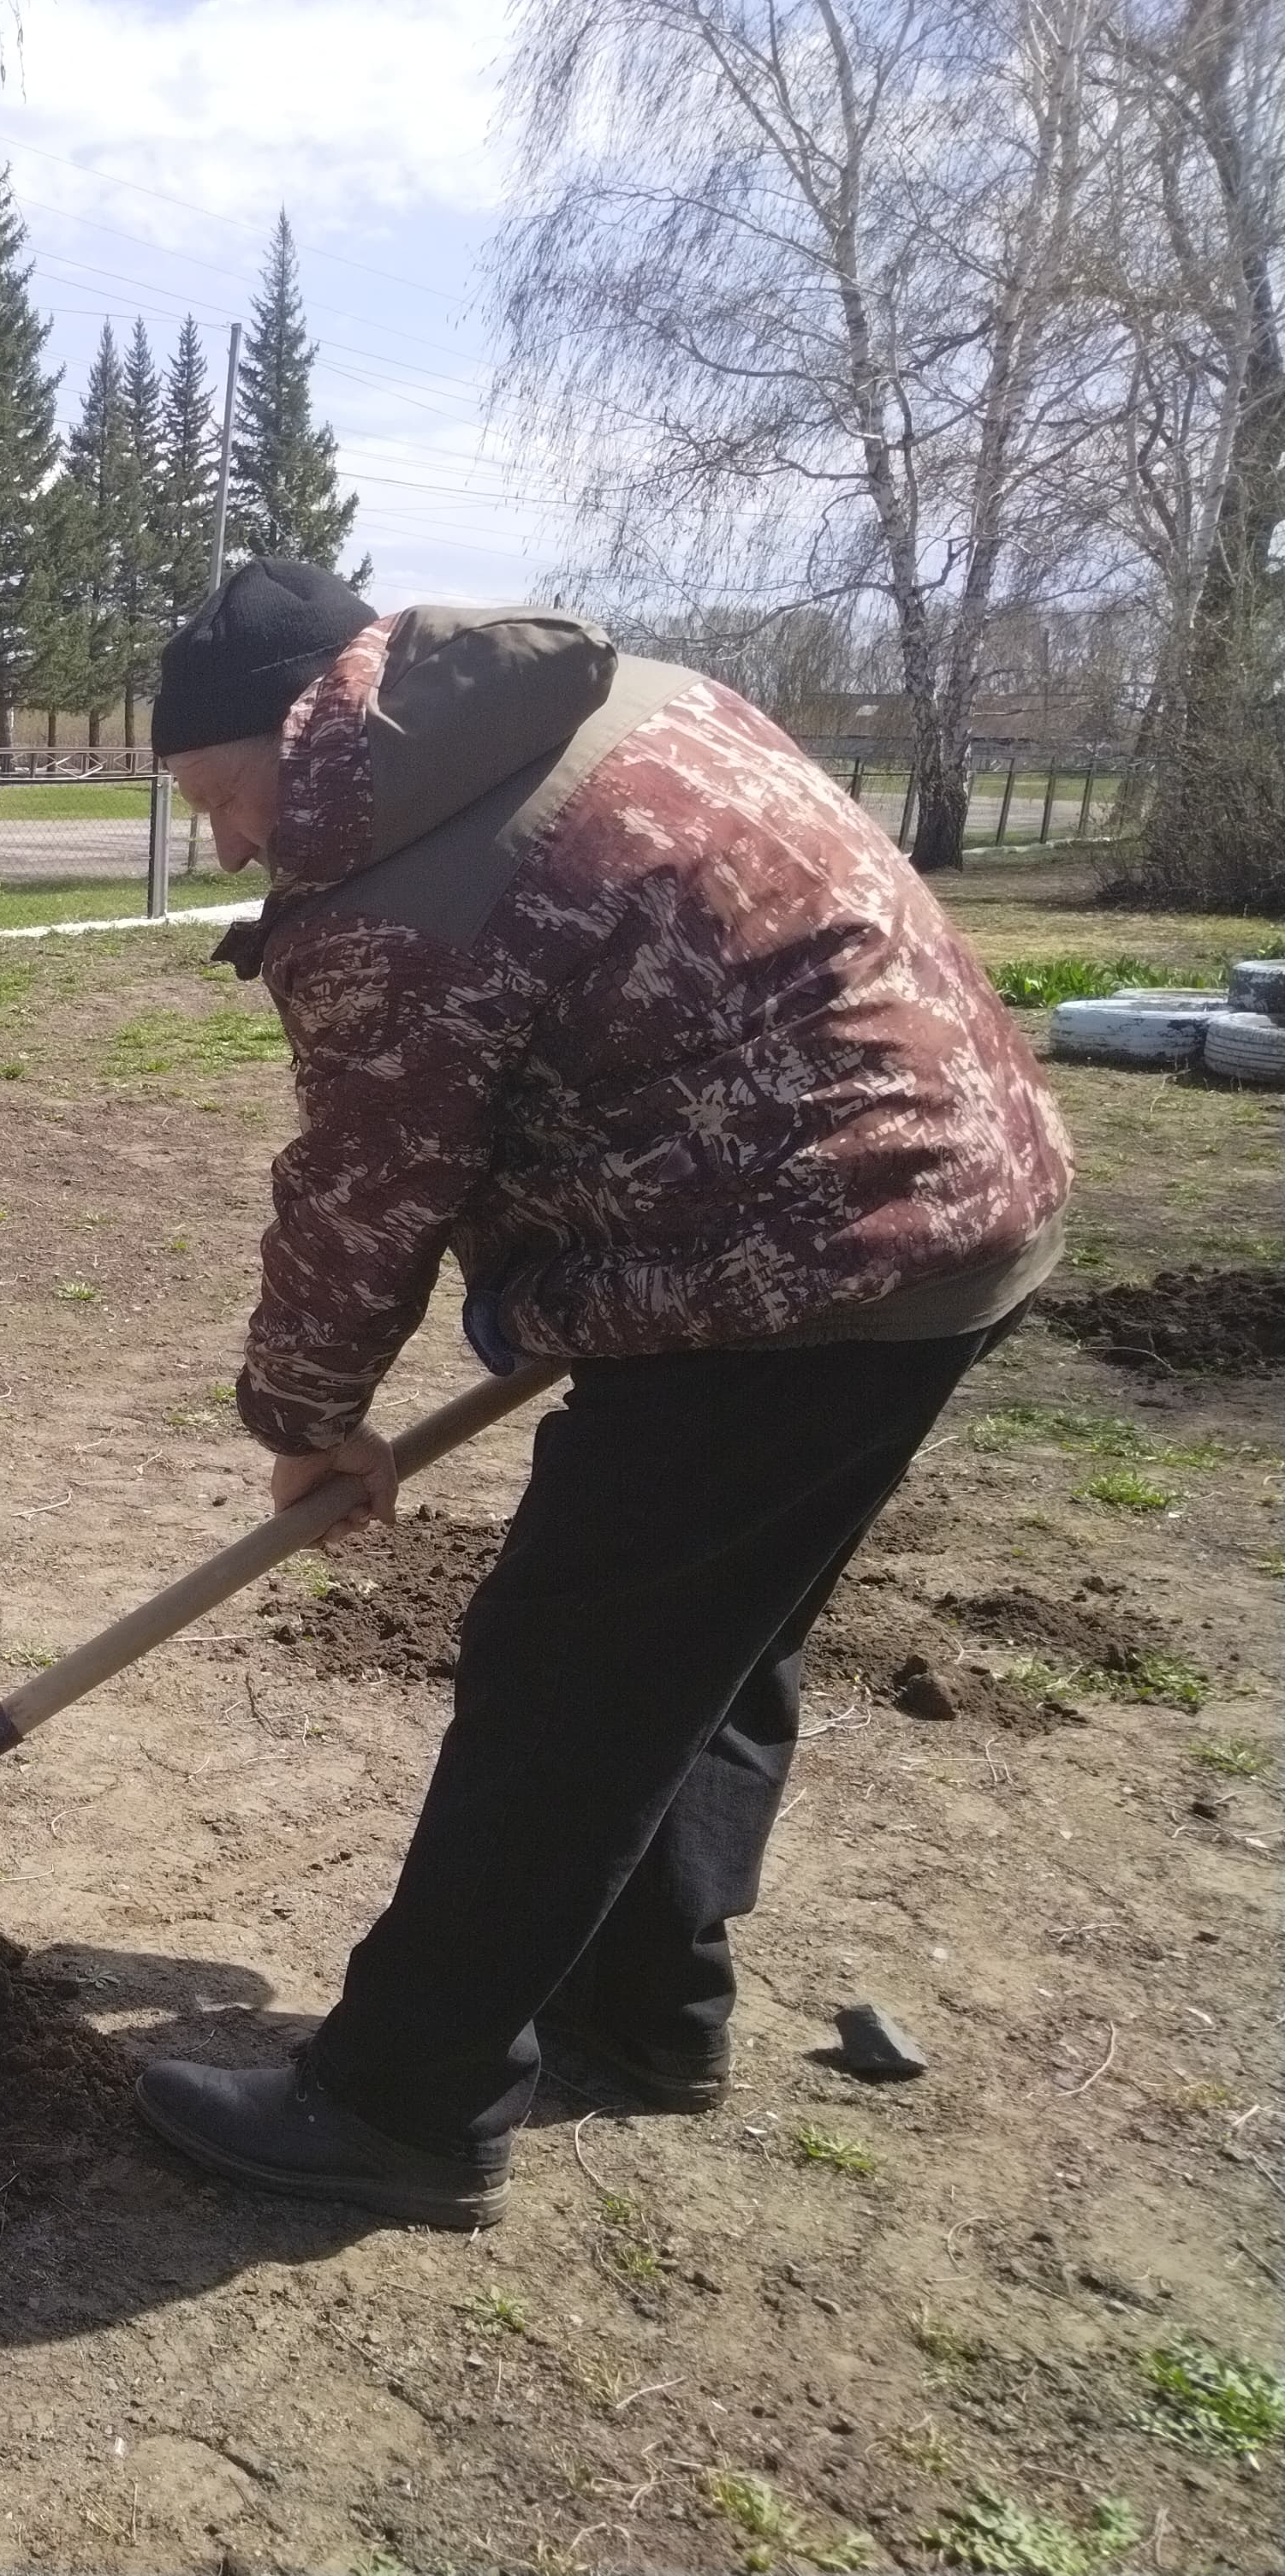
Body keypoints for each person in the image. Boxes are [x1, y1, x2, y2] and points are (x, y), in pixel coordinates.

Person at [127, 561, 1073, 2227]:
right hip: (958, 1199)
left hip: (798, 1261)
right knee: (704, 1638)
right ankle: (646, 2012)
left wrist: (306, 1418)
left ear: (292, 730)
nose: (219, 842)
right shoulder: (596, 704)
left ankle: (403, 2098)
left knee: (565, 1679)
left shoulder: (396, 894)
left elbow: (363, 1196)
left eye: (216, 797)